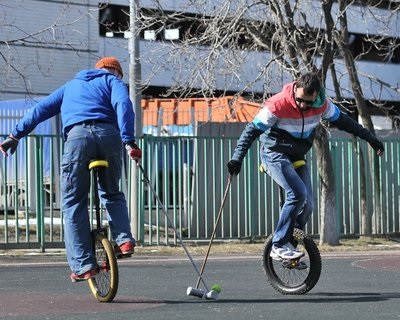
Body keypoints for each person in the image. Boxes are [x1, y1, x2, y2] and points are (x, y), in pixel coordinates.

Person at [0, 57, 142, 282]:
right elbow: (123, 105)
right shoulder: (113, 82)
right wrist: (129, 141)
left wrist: (15, 135)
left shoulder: (70, 86)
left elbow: (40, 110)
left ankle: (84, 265)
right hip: (109, 137)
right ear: (116, 72)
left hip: (78, 140)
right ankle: (124, 240)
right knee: (112, 193)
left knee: (74, 202)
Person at [227, 72, 384, 260]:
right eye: (300, 100)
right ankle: (278, 245)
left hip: (297, 155)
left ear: (316, 95)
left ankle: (291, 243)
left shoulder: (322, 105)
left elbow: (346, 123)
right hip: (273, 152)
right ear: (295, 90)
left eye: (308, 102)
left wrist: (372, 140)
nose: (303, 105)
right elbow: (250, 131)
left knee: (308, 204)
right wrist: (237, 159)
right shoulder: (278, 104)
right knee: (297, 194)